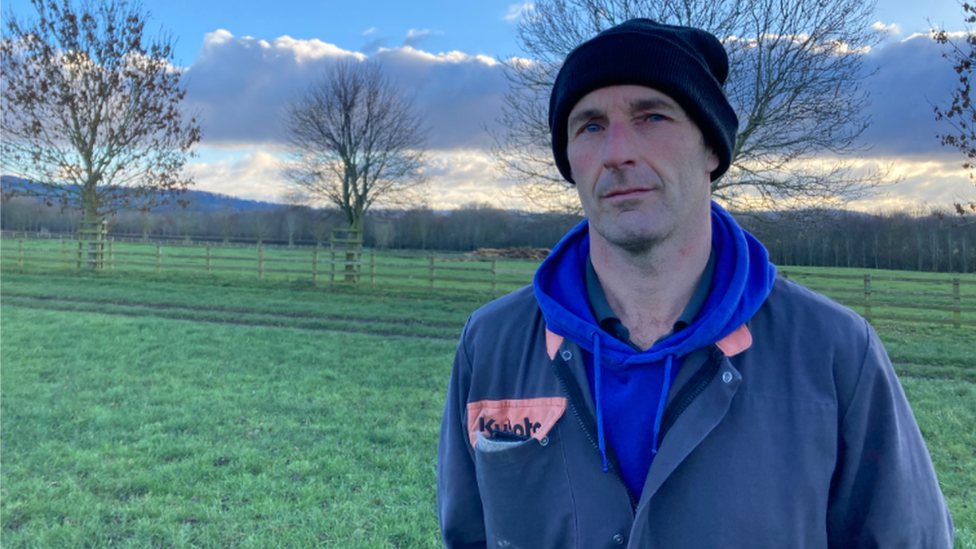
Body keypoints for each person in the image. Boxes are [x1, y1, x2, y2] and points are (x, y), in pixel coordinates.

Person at [436, 18, 954, 549]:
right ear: (569, 159)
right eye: (589, 126)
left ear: (712, 149)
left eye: (652, 116)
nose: (616, 151)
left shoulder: (836, 354)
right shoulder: (491, 345)